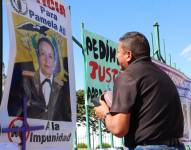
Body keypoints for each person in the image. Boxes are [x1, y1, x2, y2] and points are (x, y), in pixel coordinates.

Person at [94, 32, 185, 149]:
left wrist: (105, 113)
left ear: (128, 55)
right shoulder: (163, 76)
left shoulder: (127, 76)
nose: (116, 56)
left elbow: (119, 129)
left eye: (117, 52)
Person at [14, 37, 71, 121]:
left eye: (50, 56)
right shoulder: (25, 82)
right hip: (27, 133)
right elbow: (14, 113)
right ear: (38, 57)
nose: (47, 60)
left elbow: (66, 117)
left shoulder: (61, 88)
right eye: (43, 54)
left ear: (55, 61)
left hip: (55, 134)